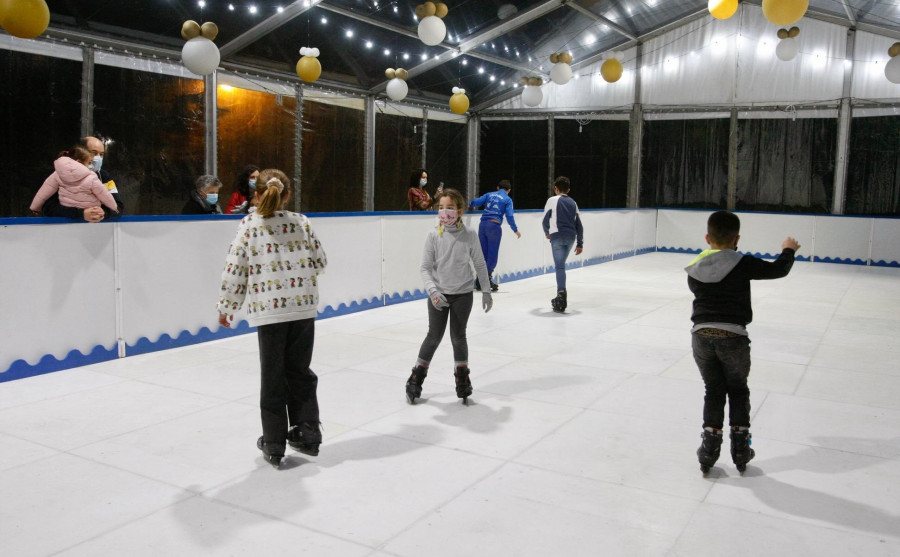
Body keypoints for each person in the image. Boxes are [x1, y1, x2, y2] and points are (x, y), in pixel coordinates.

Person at [217, 168, 328, 468]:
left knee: (274, 374)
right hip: (303, 308)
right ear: (288, 195)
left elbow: (235, 269)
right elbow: (320, 262)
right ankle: (308, 432)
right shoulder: (301, 222)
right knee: (300, 371)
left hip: (270, 312)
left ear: (256, 194)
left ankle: (275, 441)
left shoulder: (249, 225)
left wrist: (227, 306)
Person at [686, 210, 800, 474]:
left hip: (701, 335)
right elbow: (778, 270)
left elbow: (699, 290)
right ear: (737, 238)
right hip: (733, 336)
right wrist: (788, 250)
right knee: (737, 389)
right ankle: (740, 448)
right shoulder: (743, 263)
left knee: (714, 389)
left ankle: (709, 449)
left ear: (707, 237)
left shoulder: (695, 267)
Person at [406, 188, 492, 406]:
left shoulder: (469, 235)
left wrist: (486, 290)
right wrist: (433, 292)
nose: (445, 212)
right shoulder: (433, 235)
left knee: (458, 336)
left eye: (450, 208)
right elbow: (425, 268)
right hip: (439, 295)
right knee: (433, 336)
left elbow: (480, 263)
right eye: (441, 208)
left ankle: (462, 377)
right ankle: (416, 377)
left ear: (460, 211)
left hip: (462, 295)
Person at [41, 136, 123, 222]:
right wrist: (81, 213)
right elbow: (47, 208)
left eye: (101, 154)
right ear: (81, 152)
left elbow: (119, 208)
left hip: (97, 231)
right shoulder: (61, 175)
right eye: (94, 153)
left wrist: (103, 213)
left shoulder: (105, 176)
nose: (98, 158)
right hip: (66, 230)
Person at [469, 179, 522, 291]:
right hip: (494, 226)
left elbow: (476, 201)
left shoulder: (489, 195)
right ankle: (485, 280)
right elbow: (510, 216)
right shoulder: (507, 199)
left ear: (498, 188)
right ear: (509, 190)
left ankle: (479, 279)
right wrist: (515, 229)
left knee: (483, 254)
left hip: (482, 225)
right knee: (492, 256)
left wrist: (470, 205)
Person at [541, 176, 583, 313]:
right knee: (561, 266)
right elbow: (579, 225)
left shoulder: (552, 200)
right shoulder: (573, 202)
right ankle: (561, 294)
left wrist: (547, 232)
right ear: (568, 190)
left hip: (557, 237)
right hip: (571, 238)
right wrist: (580, 243)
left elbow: (544, 220)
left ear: (555, 188)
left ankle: (561, 294)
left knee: (559, 267)